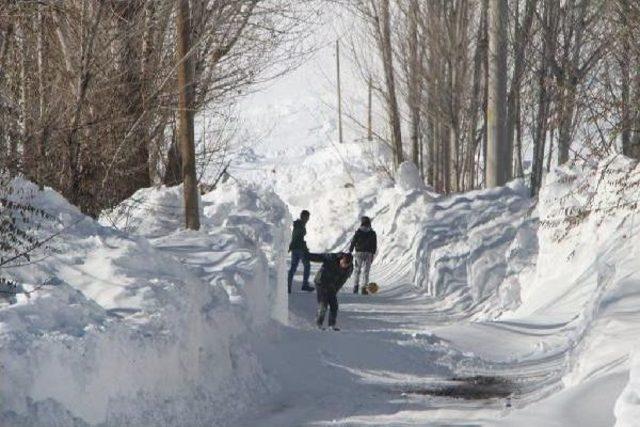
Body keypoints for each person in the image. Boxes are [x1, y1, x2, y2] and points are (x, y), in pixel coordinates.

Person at [308, 252, 353, 330]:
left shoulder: (349, 268)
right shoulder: (332, 257)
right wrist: (307, 256)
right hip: (321, 282)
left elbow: (341, 281)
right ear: (341, 259)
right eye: (342, 263)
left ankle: (332, 325)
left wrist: (335, 291)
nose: (343, 266)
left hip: (331, 285)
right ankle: (318, 324)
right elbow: (319, 256)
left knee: (334, 305)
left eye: (346, 265)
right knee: (323, 304)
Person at [287, 210, 314, 294]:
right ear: (303, 217)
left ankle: (288, 286)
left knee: (293, 267)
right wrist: (304, 248)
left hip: (295, 248)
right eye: (307, 217)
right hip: (299, 248)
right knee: (307, 265)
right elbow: (296, 238)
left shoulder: (298, 224)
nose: (308, 219)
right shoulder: (299, 225)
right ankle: (304, 284)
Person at [349, 216, 377, 294]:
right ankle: (364, 289)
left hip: (359, 253)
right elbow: (374, 245)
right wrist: (373, 254)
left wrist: (350, 250)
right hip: (368, 254)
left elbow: (353, 241)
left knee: (357, 270)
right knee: (366, 271)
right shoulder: (372, 233)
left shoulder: (358, 231)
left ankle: (355, 287)